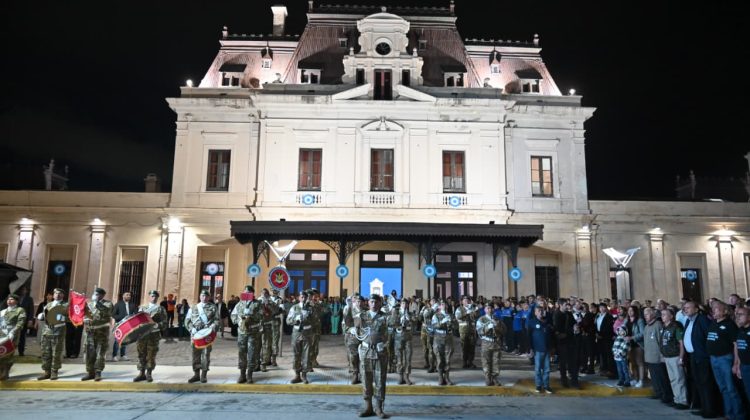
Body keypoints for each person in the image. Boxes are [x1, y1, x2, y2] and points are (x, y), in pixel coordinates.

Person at [349, 294, 389, 418]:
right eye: (372, 301)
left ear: (380, 303)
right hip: (365, 352)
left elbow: (391, 332)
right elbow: (352, 328)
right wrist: (351, 330)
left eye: (376, 302)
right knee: (366, 379)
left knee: (380, 380)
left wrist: (386, 344)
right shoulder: (362, 316)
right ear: (368, 303)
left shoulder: (385, 317)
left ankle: (379, 408)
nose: (374, 304)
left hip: (379, 352)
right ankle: (368, 407)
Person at [707, 300, 744, 420]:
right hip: (714, 359)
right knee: (723, 388)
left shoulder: (729, 325)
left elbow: (736, 344)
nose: (714, 310)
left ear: (725, 311)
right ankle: (729, 413)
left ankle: (739, 415)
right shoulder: (713, 323)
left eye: (717, 308)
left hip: (725, 359)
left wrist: (736, 363)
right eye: (713, 308)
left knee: (731, 388)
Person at [683, 300, 720, 417]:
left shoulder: (702, 320)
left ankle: (710, 410)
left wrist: (705, 353)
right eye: (684, 308)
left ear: (696, 309)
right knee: (698, 382)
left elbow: (708, 337)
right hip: (692, 356)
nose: (685, 310)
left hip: (702, 356)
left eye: (688, 307)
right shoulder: (688, 321)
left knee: (706, 383)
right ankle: (704, 407)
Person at [133, 290, 167, 382]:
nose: (154, 298)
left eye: (155, 296)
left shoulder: (161, 309)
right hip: (142, 334)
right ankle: (141, 373)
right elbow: (137, 320)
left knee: (151, 354)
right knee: (141, 353)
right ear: (149, 297)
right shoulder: (142, 308)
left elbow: (165, 322)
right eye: (152, 296)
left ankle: (149, 373)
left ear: (158, 298)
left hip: (153, 335)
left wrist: (157, 325)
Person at [231, 285, 262, 383]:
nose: (247, 294)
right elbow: (233, 315)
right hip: (242, 332)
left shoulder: (257, 304)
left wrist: (252, 315)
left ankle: (250, 375)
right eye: (245, 292)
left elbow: (262, 316)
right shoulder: (240, 304)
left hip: (253, 332)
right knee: (242, 353)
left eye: (249, 292)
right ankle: (242, 374)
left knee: (252, 353)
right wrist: (238, 321)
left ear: (252, 293)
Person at [185, 289, 218, 383]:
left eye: (206, 296)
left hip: (207, 334)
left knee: (205, 354)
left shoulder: (213, 307)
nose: (204, 298)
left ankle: (204, 375)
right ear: (200, 296)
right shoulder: (193, 307)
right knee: (195, 354)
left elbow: (217, 320)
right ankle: (196, 374)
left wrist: (213, 326)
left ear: (209, 297)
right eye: (202, 296)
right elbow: (187, 320)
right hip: (195, 334)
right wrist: (191, 329)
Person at [642, 306, 673, 405]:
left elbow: (661, 341)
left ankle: (666, 395)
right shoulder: (646, 327)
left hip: (658, 357)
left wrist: (662, 355)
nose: (645, 316)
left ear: (653, 314)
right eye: (644, 314)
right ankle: (658, 392)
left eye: (647, 314)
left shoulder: (658, 325)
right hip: (649, 357)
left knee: (662, 377)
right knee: (654, 377)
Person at [658, 307, 688, 409]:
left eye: (664, 314)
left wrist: (681, 357)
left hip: (675, 356)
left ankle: (683, 401)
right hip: (667, 357)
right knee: (673, 379)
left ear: (671, 316)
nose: (662, 316)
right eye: (662, 314)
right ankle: (677, 399)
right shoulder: (664, 327)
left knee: (679, 379)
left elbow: (681, 343)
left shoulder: (676, 327)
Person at [82, 287, 114, 381]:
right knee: (89, 353)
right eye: (94, 294)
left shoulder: (107, 304)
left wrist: (97, 302)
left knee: (100, 353)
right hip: (90, 332)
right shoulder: (90, 304)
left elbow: (106, 311)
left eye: (97, 294)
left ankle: (98, 372)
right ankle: (90, 372)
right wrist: (85, 321)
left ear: (102, 295)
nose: (95, 296)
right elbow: (85, 314)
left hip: (101, 332)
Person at [36, 288, 68, 380]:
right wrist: (41, 316)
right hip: (47, 331)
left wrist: (62, 318)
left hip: (58, 332)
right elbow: (45, 316)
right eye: (56, 293)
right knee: (46, 352)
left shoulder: (66, 305)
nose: (57, 295)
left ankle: (54, 372)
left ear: (63, 295)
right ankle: (46, 372)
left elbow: (71, 318)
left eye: (60, 293)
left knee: (56, 353)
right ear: (53, 295)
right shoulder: (48, 304)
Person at [287, 290, 315, 384]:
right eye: (301, 297)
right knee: (296, 353)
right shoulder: (294, 307)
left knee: (306, 354)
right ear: (299, 298)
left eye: (305, 297)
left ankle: (304, 375)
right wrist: (296, 320)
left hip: (307, 332)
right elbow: (288, 320)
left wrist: (309, 315)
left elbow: (316, 321)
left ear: (307, 298)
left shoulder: (311, 308)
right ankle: (297, 374)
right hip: (297, 332)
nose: (303, 298)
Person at [476, 300, 506, 386]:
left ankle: (494, 377)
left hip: (496, 343)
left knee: (496, 361)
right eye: (487, 308)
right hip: (486, 342)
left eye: (491, 308)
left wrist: (497, 327)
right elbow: (479, 331)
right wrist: (487, 327)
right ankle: (488, 378)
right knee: (486, 361)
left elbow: (504, 330)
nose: (489, 310)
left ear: (493, 309)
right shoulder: (481, 319)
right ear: (485, 309)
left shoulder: (497, 319)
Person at [0, 293, 28, 380]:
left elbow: (21, 322)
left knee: (8, 354)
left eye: (11, 299)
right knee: (1, 353)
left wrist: (13, 331)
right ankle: (1, 372)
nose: (9, 301)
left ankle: (5, 372)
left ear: (16, 301)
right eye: (8, 299)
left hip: (13, 334)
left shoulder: (20, 310)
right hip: (2, 334)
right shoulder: (3, 311)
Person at [527, 305, 553, 393]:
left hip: (547, 349)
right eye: (538, 311)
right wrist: (530, 349)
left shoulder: (547, 322)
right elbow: (528, 336)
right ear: (535, 313)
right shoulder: (531, 322)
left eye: (542, 311)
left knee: (547, 369)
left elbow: (551, 335)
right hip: (537, 349)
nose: (541, 312)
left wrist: (552, 348)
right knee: (538, 369)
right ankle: (538, 385)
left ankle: (546, 385)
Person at [431, 300, 455, 386]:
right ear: (439, 306)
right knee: (440, 359)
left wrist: (451, 322)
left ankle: (447, 377)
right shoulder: (435, 316)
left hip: (448, 338)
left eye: (444, 304)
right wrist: (442, 322)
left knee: (447, 359)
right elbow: (434, 326)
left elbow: (455, 326)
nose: (443, 306)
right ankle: (440, 377)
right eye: (441, 304)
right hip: (438, 338)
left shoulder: (450, 315)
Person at [394, 297, 417, 385]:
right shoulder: (396, 313)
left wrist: (409, 318)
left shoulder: (410, 314)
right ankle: (400, 376)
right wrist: (399, 319)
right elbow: (391, 323)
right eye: (403, 303)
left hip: (408, 338)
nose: (404, 305)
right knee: (399, 359)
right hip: (398, 338)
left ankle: (406, 376)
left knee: (408, 358)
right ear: (400, 304)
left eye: (406, 304)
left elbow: (416, 320)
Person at [343, 294, 364, 384]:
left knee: (363, 357)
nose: (359, 303)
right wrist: (351, 329)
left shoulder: (366, 311)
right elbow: (346, 322)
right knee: (354, 356)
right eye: (358, 301)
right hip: (353, 336)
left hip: (363, 337)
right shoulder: (350, 310)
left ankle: (363, 375)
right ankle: (355, 374)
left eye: (361, 302)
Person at [455, 295, 479, 368]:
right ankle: (464, 362)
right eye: (465, 300)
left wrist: (474, 309)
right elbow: (458, 317)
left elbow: (476, 316)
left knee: (472, 346)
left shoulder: (472, 308)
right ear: (462, 302)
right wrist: (466, 313)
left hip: (472, 330)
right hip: (463, 330)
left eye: (468, 300)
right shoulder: (459, 309)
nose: (466, 302)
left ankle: (470, 362)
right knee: (464, 346)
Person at [111, 291, 137, 361]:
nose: (128, 296)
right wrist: (121, 318)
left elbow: (136, 314)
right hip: (119, 324)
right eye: (127, 295)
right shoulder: (118, 304)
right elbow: (113, 314)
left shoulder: (132, 305)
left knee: (125, 339)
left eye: (129, 295)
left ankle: (123, 355)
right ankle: (114, 355)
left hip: (128, 325)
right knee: (117, 340)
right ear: (123, 296)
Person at [732, 306, 750, 402]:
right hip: (744, 366)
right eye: (737, 314)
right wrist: (738, 365)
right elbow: (739, 348)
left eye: (741, 314)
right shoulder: (740, 330)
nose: (738, 317)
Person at [259, 288, 276, 372]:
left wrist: (268, 305)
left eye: (266, 294)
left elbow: (275, 311)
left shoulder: (271, 302)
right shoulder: (257, 302)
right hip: (257, 326)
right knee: (257, 345)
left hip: (267, 326)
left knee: (266, 345)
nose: (264, 295)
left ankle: (263, 363)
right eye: (263, 294)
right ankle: (256, 363)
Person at [419, 298, 437, 372]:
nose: (432, 302)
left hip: (432, 330)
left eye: (434, 301)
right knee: (425, 348)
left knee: (431, 348)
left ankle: (432, 365)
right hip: (424, 330)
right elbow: (420, 318)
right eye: (431, 301)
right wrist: (422, 312)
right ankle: (427, 363)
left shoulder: (436, 309)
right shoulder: (424, 308)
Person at [270, 290, 284, 365]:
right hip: (267, 323)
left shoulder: (280, 300)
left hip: (275, 322)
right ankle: (266, 359)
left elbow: (282, 310)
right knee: (266, 341)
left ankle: (274, 359)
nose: (274, 292)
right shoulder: (267, 299)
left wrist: (277, 310)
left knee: (275, 341)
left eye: (275, 291)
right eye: (272, 290)